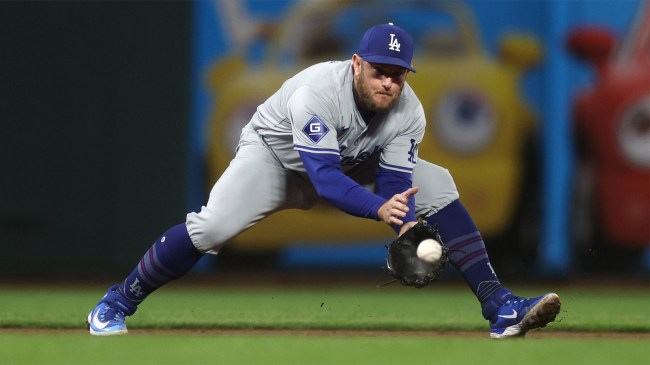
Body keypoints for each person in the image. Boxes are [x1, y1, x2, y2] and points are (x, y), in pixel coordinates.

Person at [86, 23, 561, 339]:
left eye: (398, 75)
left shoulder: (408, 110)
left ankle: (500, 307)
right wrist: (379, 210)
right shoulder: (318, 91)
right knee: (211, 228)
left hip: (354, 162)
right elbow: (326, 181)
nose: (388, 84)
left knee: (437, 183)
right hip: (275, 159)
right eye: (379, 71)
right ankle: (115, 303)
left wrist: (407, 227)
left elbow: (397, 183)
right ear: (357, 64)